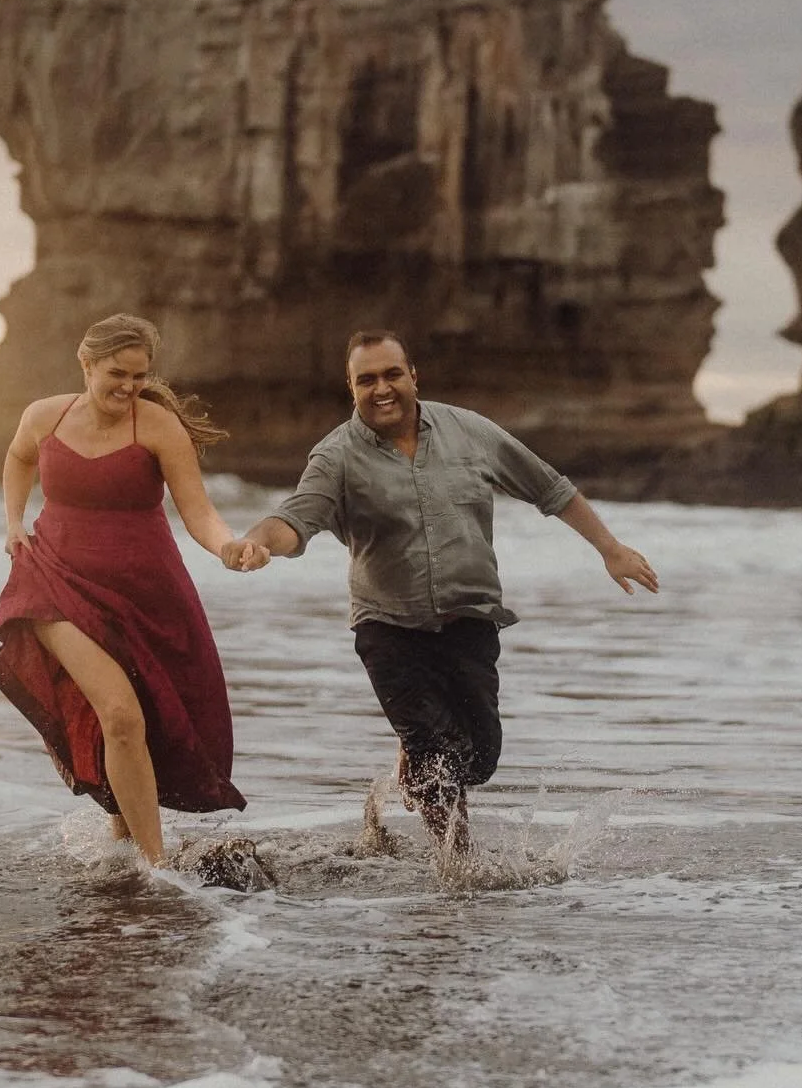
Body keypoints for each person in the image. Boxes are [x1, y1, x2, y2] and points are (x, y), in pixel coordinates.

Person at [221, 329, 657, 855]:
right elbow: (295, 518)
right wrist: (256, 543)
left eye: (391, 375)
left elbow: (548, 487)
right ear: (351, 387)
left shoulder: (468, 431)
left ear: (413, 377)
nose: (381, 389)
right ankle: (457, 864)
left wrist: (609, 548)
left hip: (470, 618)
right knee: (437, 753)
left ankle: (416, 762)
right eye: (367, 380)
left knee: (479, 756)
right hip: (387, 626)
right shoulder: (336, 455)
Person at [0, 313, 265, 866]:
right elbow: (19, 456)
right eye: (117, 373)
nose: (129, 387)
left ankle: (122, 838)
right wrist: (14, 522)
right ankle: (156, 869)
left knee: (144, 717)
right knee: (119, 714)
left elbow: (198, 511)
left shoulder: (159, 427)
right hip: (55, 583)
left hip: (145, 591)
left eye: (140, 376)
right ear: (86, 363)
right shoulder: (45, 416)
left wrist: (229, 547)